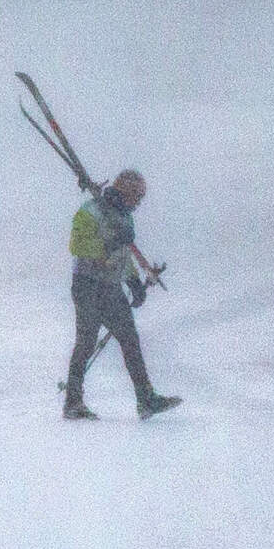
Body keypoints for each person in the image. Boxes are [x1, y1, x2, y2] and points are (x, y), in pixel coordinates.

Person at [62, 168, 180, 420]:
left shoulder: (124, 217)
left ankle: (146, 399)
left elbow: (123, 255)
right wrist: (111, 243)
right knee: (86, 342)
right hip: (87, 285)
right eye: (135, 197)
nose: (137, 204)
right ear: (124, 192)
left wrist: (134, 281)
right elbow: (78, 245)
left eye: (140, 199)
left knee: (130, 340)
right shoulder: (91, 211)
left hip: (111, 288)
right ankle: (73, 402)